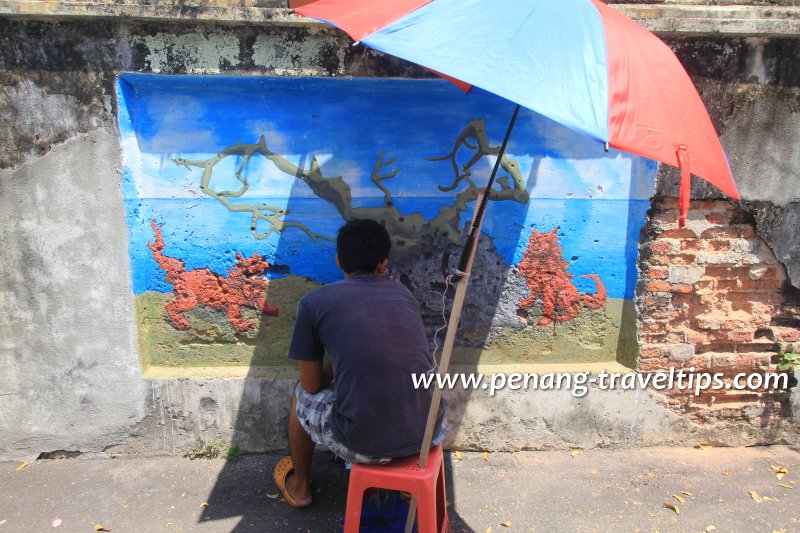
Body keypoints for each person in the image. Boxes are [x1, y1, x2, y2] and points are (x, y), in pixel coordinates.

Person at [273, 218, 449, 508]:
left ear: (339, 260)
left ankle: (301, 487)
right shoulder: (403, 293)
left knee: (299, 395)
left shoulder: (313, 303)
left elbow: (312, 384)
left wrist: (340, 368)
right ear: (383, 264)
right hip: (427, 431)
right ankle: (403, 485)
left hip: (362, 442)